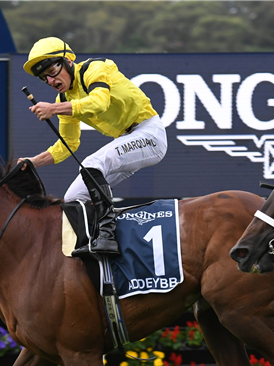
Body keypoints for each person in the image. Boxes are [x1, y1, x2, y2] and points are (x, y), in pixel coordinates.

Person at [19, 37, 167, 256]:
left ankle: (107, 236)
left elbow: (99, 102)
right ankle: (97, 247)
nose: (50, 80)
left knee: (92, 164)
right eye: (44, 78)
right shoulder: (64, 97)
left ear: (69, 60)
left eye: (52, 70)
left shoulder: (94, 69)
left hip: (149, 133)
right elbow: (68, 144)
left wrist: (55, 108)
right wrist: (33, 162)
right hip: (127, 140)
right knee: (73, 199)